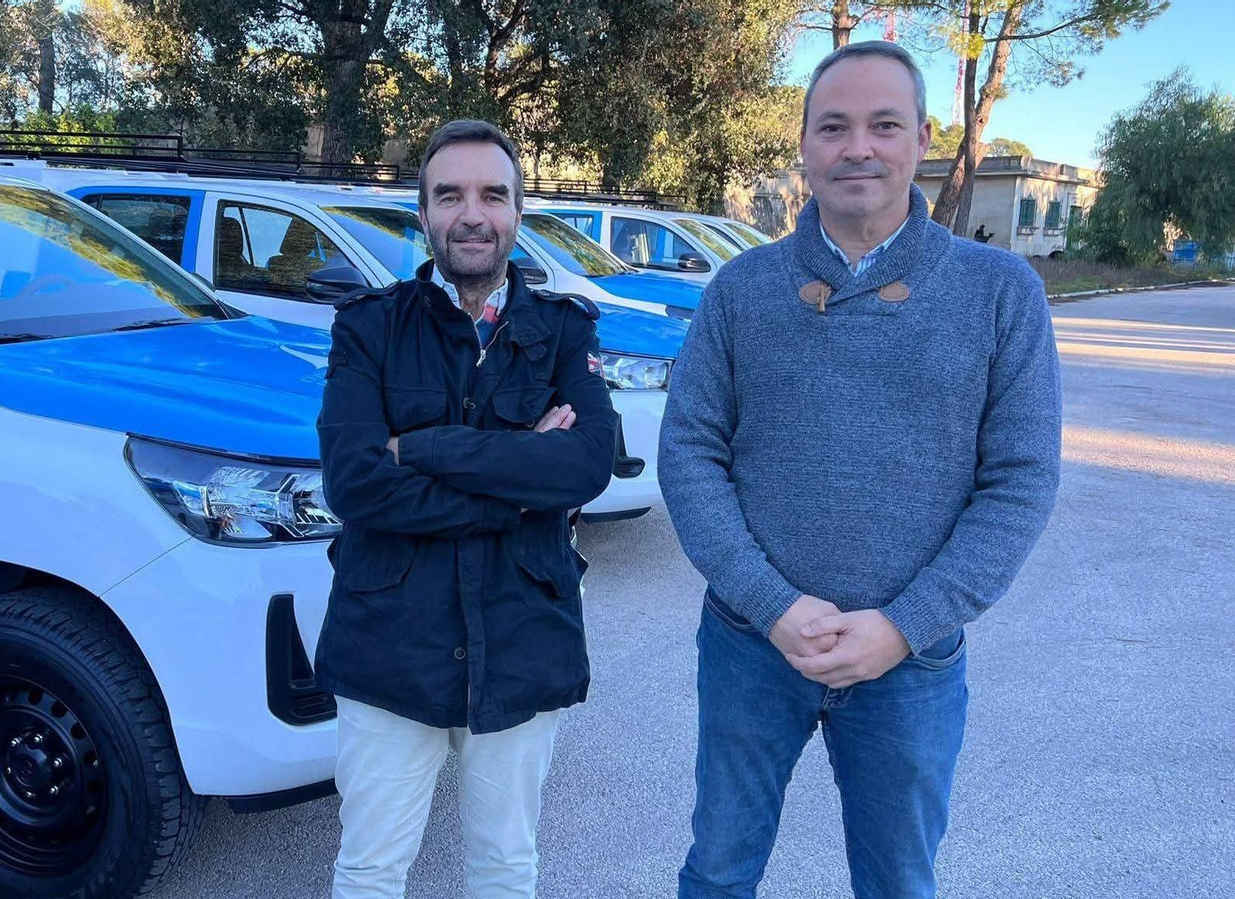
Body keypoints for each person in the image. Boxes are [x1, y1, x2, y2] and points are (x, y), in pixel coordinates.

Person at [657, 41, 1062, 899]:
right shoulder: (740, 289)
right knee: (719, 871)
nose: (858, 147)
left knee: (899, 883)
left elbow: (1020, 481)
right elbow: (690, 452)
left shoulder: (999, 293)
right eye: (833, 126)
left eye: (884, 125)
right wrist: (773, 605)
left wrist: (904, 624)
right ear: (804, 144)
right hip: (749, 645)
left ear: (922, 140)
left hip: (910, 661)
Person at [314, 119, 617, 899]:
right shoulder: (369, 327)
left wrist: (420, 447)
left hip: (522, 638)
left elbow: (586, 465)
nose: (471, 213)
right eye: (449, 195)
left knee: (505, 868)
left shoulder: (561, 332)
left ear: (519, 213)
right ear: (423, 215)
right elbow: (354, 483)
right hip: (389, 645)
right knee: (371, 871)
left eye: (493, 194)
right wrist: (521, 489)